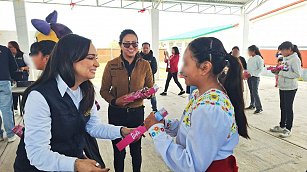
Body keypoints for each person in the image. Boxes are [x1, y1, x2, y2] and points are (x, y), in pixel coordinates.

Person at [13, 34, 134, 172]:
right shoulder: (39, 96)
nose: (97, 64)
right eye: (90, 58)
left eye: (96, 58)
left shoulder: (86, 90)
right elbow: (38, 155)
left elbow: (93, 127)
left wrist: (122, 131)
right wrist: (76, 164)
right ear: (69, 58)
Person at [144, 37, 249, 171]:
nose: (181, 71)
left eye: (186, 64)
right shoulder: (199, 95)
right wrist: (165, 125)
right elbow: (190, 127)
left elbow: (191, 165)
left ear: (204, 67)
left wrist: (157, 131)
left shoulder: (210, 109)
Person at [100, 29, 153, 172]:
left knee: (136, 149)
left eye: (134, 44)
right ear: (120, 45)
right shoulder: (111, 65)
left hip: (136, 113)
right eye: (127, 44)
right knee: (119, 149)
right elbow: (103, 90)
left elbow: (150, 88)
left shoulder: (145, 65)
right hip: (117, 114)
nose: (131, 47)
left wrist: (147, 94)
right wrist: (115, 101)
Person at [269, 41, 302, 138]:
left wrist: (281, 73)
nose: (281, 53)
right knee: (282, 106)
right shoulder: (285, 58)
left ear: (289, 50)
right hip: (283, 86)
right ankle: (282, 125)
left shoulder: (295, 59)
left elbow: (297, 74)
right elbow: (283, 70)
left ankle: (288, 129)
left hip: (290, 88)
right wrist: (276, 71)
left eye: (282, 50)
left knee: (288, 108)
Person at [0, 45, 18, 143]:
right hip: (3, 80)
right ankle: (10, 135)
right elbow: (14, 67)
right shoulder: (5, 50)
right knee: (6, 109)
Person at [8, 41, 31, 114]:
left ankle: (24, 109)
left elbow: (30, 66)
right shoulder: (9, 57)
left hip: (23, 78)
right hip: (13, 79)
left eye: (10, 47)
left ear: (15, 47)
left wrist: (23, 68)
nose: (9, 49)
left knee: (23, 94)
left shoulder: (23, 55)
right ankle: (15, 109)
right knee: (13, 94)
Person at [246, 45, 264, 114]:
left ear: (253, 51)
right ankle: (252, 104)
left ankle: (259, 107)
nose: (248, 52)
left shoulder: (259, 58)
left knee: (254, 92)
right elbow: (248, 68)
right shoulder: (250, 59)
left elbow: (260, 69)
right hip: (249, 77)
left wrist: (252, 74)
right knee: (251, 91)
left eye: (249, 51)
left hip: (255, 77)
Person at [140, 42, 158, 112]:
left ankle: (155, 109)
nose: (145, 49)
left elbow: (154, 70)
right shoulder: (137, 58)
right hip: (139, 81)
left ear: (149, 48)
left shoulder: (152, 58)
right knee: (139, 95)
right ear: (142, 48)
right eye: (144, 48)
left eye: (147, 48)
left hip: (150, 81)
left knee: (152, 96)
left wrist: (145, 73)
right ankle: (139, 107)